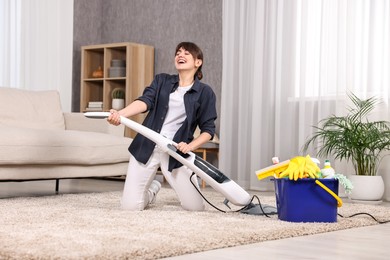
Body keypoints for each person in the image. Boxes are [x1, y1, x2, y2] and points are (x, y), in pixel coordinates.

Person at [107, 42, 217, 211]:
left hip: (175, 151)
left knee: (195, 207)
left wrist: (189, 146)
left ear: (198, 62)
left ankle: (154, 188)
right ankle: (151, 192)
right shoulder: (162, 81)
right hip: (147, 145)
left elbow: (208, 130)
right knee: (129, 207)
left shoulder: (205, 92)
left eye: (186, 53)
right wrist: (121, 114)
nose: (180, 55)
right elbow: (145, 101)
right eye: (178, 52)